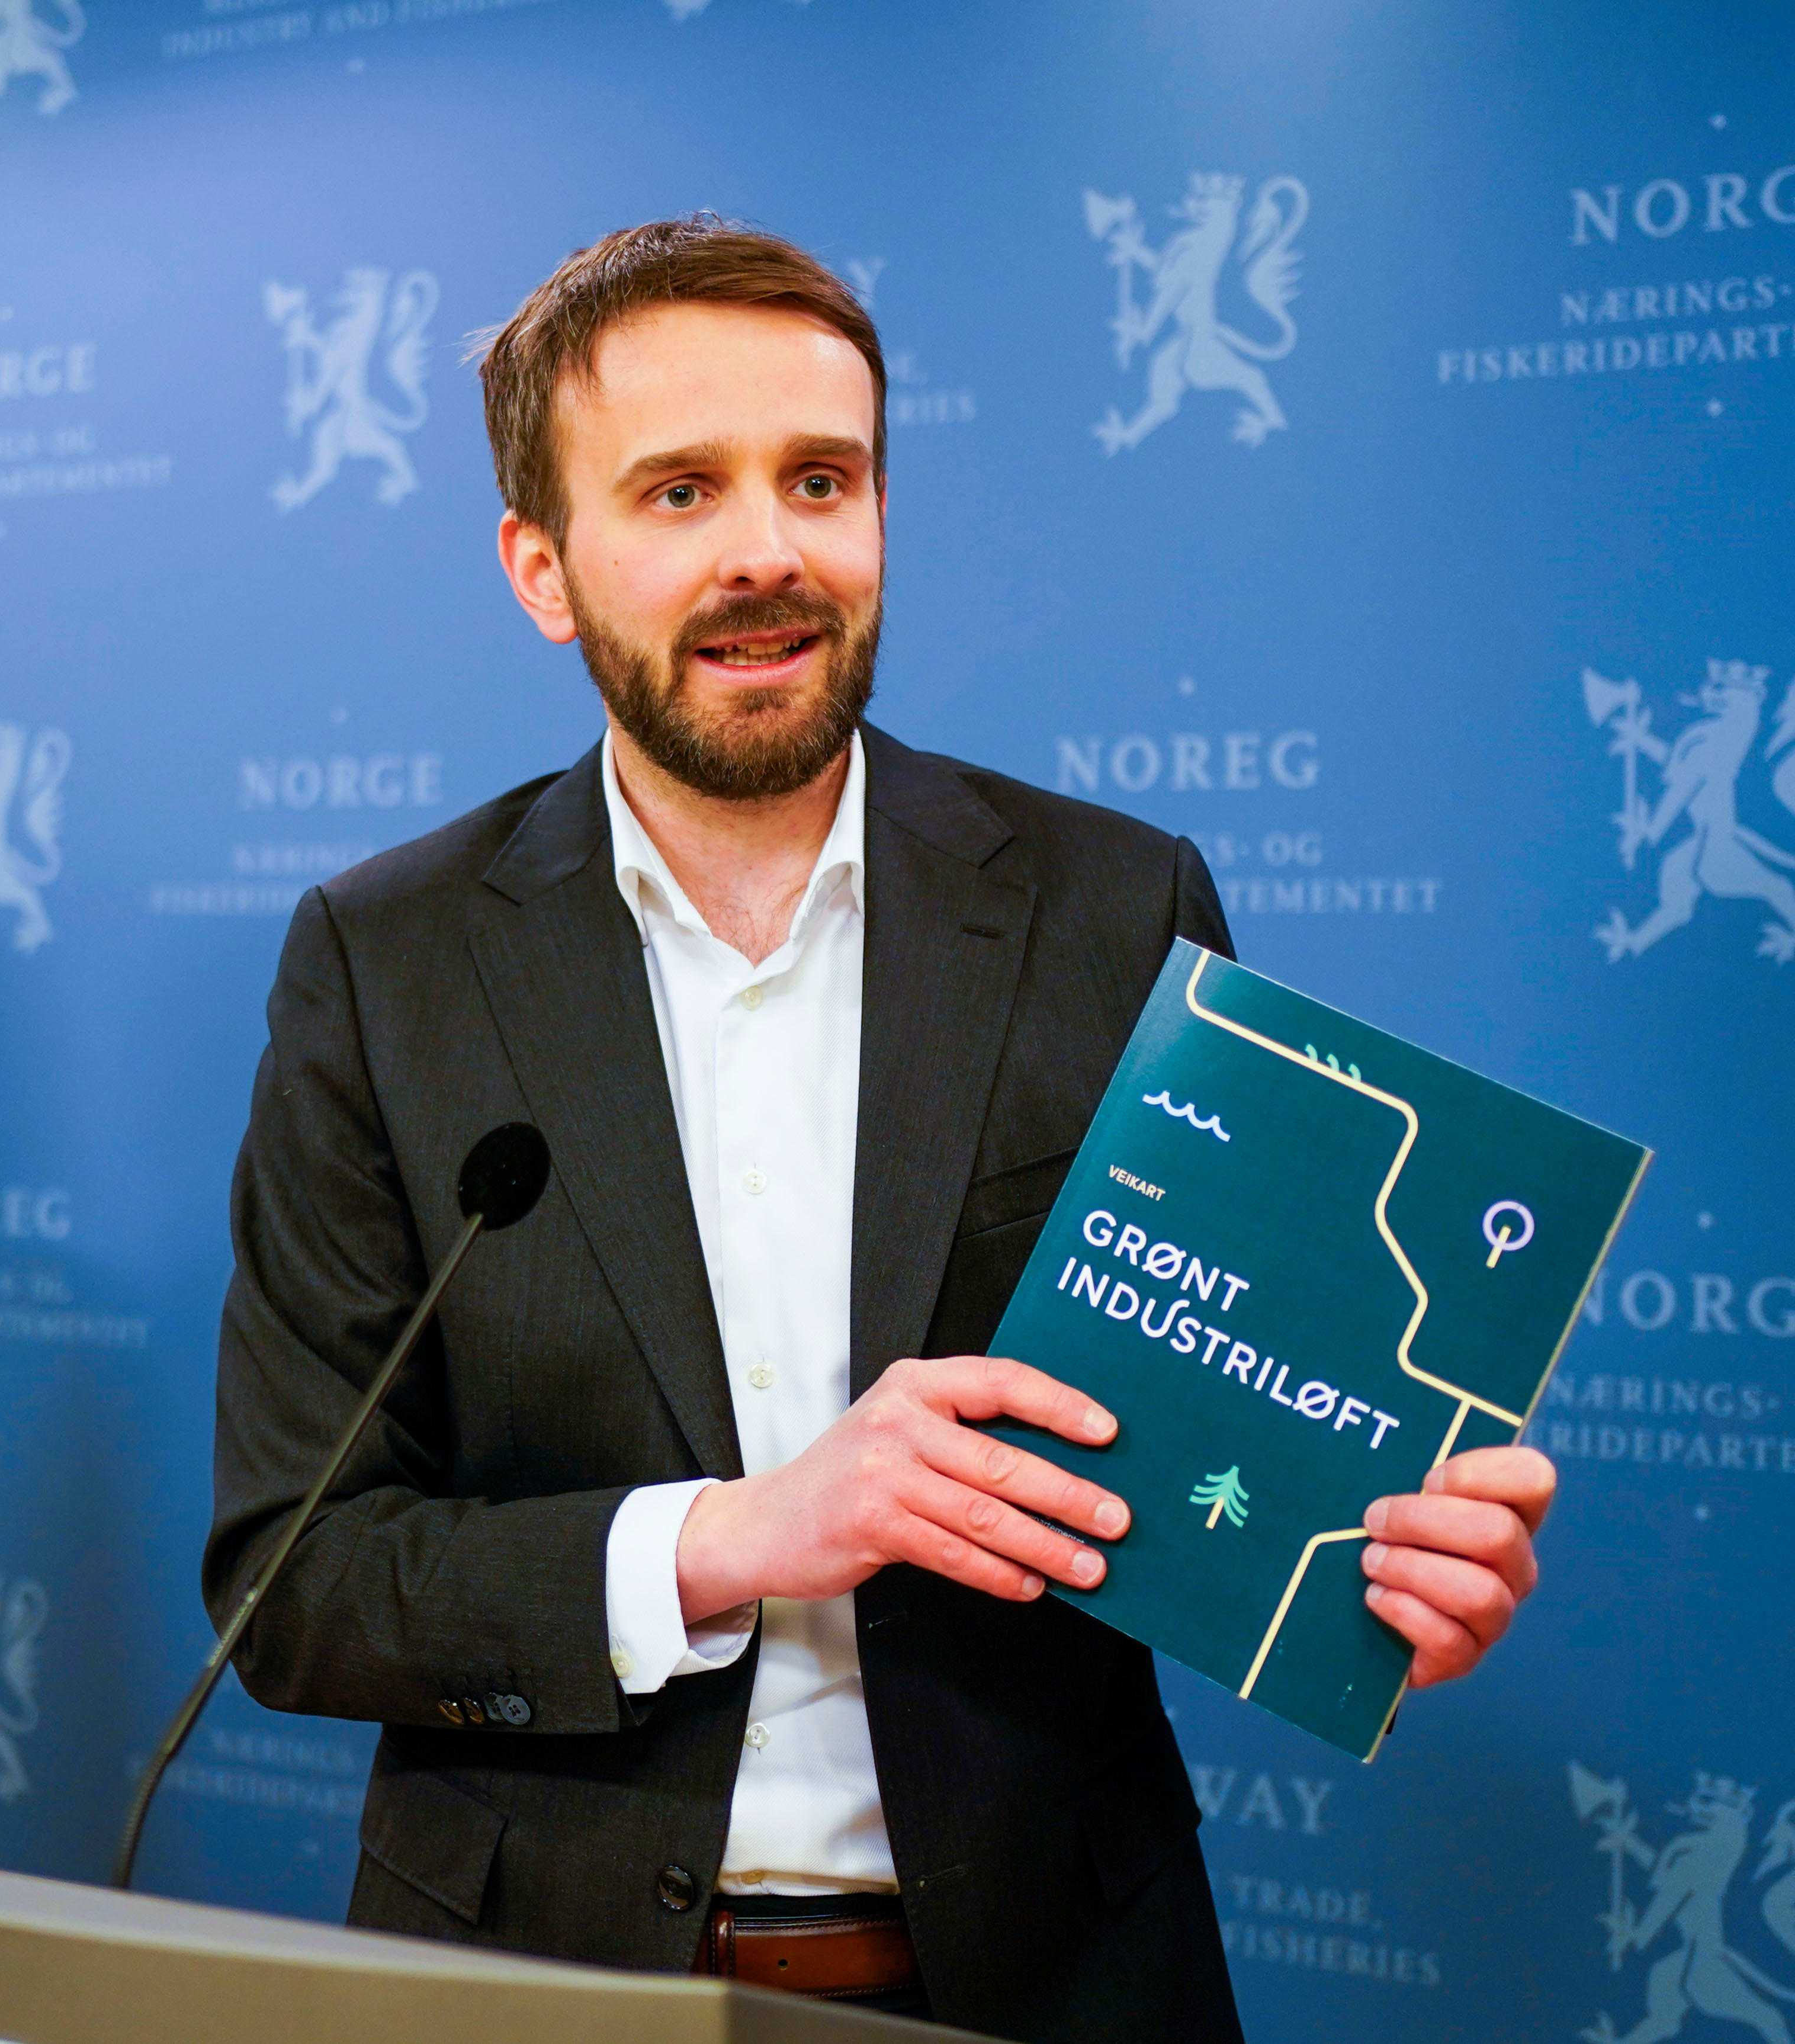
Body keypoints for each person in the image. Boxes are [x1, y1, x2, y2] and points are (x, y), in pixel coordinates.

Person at [203, 218, 1554, 2039]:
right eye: (681, 490)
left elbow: (1247, 1449)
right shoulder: (386, 962)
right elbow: (296, 1582)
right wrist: (738, 1533)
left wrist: (1388, 1567)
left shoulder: (1113, 909)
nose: (768, 548)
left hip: (1050, 1975)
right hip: (541, 1977)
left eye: (821, 479)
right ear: (542, 567)